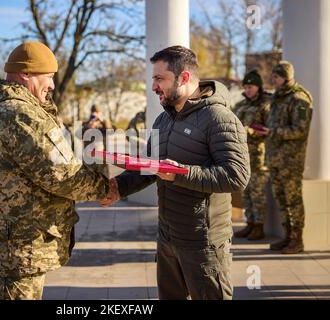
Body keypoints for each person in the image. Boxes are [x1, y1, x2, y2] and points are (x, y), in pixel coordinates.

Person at [102, 46, 250, 300]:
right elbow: (151, 166)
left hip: (203, 245)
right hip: (167, 236)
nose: (153, 87)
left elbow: (237, 175)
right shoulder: (164, 119)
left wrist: (180, 172)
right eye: (153, 79)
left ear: (183, 78)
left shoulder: (219, 118)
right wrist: (119, 187)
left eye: (160, 79)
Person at [0, 41, 113, 300]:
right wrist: (105, 187)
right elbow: (60, 173)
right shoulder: (20, 114)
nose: (51, 84)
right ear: (26, 74)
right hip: (19, 245)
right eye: (47, 76)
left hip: (13, 241)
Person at [255, 61, 313, 254]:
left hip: (291, 160)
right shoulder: (278, 98)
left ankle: (298, 240)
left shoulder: (299, 98)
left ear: (286, 78)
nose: (273, 80)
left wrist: (272, 132)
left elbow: (300, 130)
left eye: (276, 77)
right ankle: (287, 236)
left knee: (293, 200)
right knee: (281, 199)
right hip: (274, 158)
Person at [233, 70, 271, 240]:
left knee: (257, 193)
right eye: (246, 86)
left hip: (258, 156)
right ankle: (249, 223)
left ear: (259, 87)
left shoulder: (266, 104)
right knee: (246, 192)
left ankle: (259, 226)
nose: (248, 89)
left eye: (251, 86)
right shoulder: (240, 105)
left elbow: (269, 130)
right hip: (242, 155)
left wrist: (249, 131)